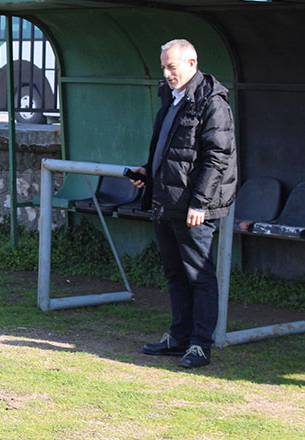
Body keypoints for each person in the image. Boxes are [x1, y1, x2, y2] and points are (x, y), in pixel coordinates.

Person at [129, 39, 237, 369]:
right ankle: (179, 338)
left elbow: (216, 158)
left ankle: (200, 345)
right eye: (163, 66)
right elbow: (170, 149)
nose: (166, 73)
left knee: (199, 276)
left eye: (171, 67)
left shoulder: (211, 101)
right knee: (176, 273)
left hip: (192, 207)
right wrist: (148, 171)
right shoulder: (172, 97)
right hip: (168, 200)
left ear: (192, 63)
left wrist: (200, 203)